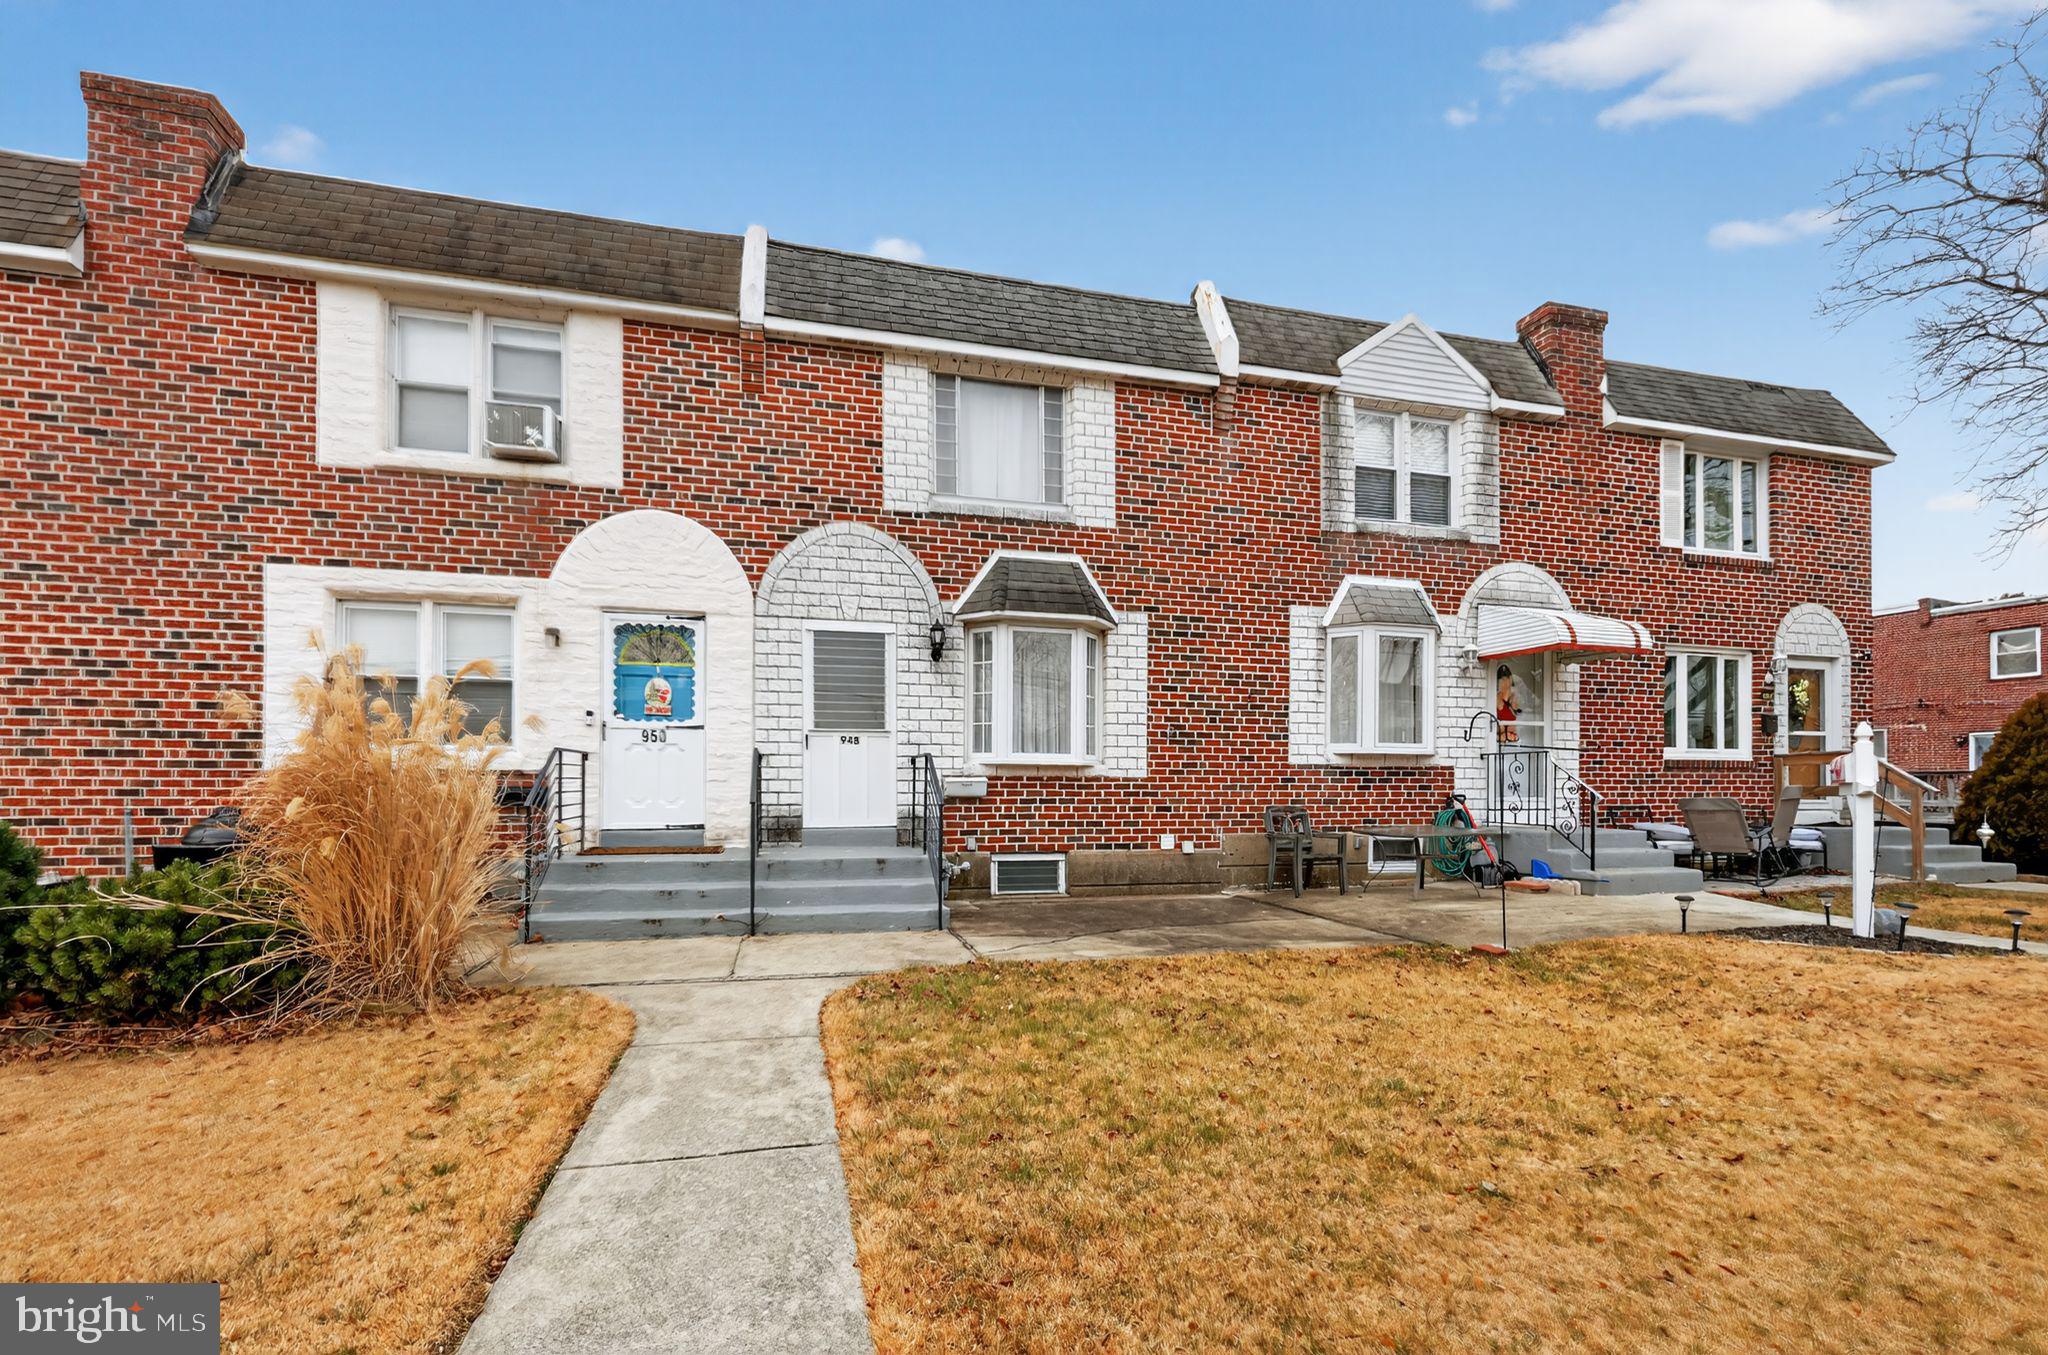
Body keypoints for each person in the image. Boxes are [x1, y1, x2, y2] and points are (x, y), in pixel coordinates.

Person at [1495, 664, 1521, 742]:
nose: (1504, 683)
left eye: (1507, 679)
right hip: (1500, 741)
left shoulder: (1516, 698)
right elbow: (1494, 725)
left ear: (1510, 679)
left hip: (1513, 740)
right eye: (1502, 680)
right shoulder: (1496, 698)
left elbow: (1516, 725)